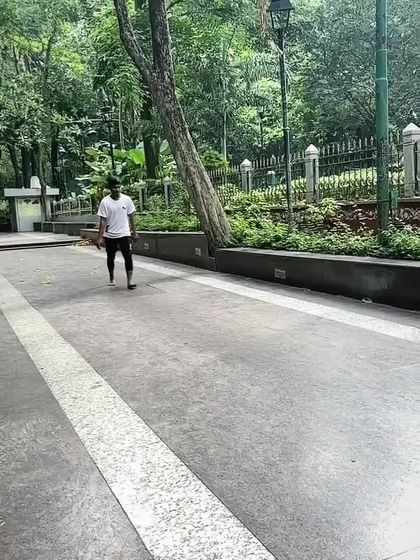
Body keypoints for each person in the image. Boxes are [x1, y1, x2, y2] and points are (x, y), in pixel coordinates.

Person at [97, 176, 138, 290]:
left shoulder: (127, 200)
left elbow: (131, 217)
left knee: (128, 256)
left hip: (124, 233)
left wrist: (134, 232)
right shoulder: (105, 202)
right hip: (110, 235)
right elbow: (103, 220)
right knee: (111, 257)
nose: (117, 189)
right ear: (110, 188)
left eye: (119, 187)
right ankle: (111, 278)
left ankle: (130, 281)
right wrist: (100, 237)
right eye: (114, 187)